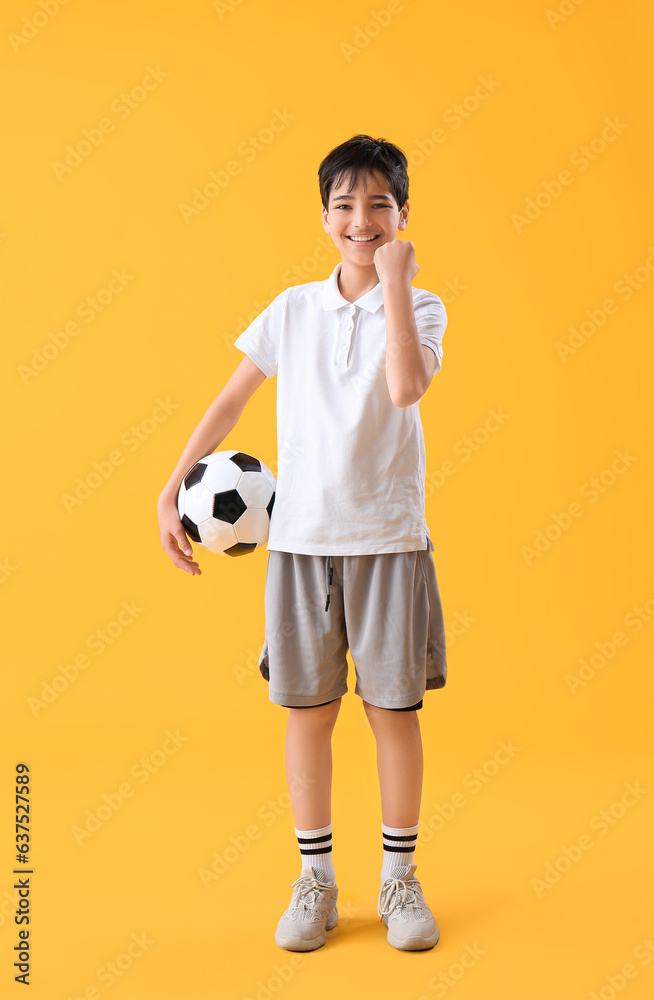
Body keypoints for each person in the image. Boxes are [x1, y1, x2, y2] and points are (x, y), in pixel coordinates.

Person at [157, 134, 449, 953]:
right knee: (308, 711)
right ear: (324, 216)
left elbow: (402, 386)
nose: (363, 219)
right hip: (300, 544)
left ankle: (400, 878)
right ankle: (316, 880)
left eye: (380, 204)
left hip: (389, 539)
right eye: (347, 205)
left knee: (393, 711)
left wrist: (394, 283)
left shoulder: (422, 305)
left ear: (401, 215)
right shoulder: (291, 308)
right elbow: (230, 402)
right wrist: (171, 485)